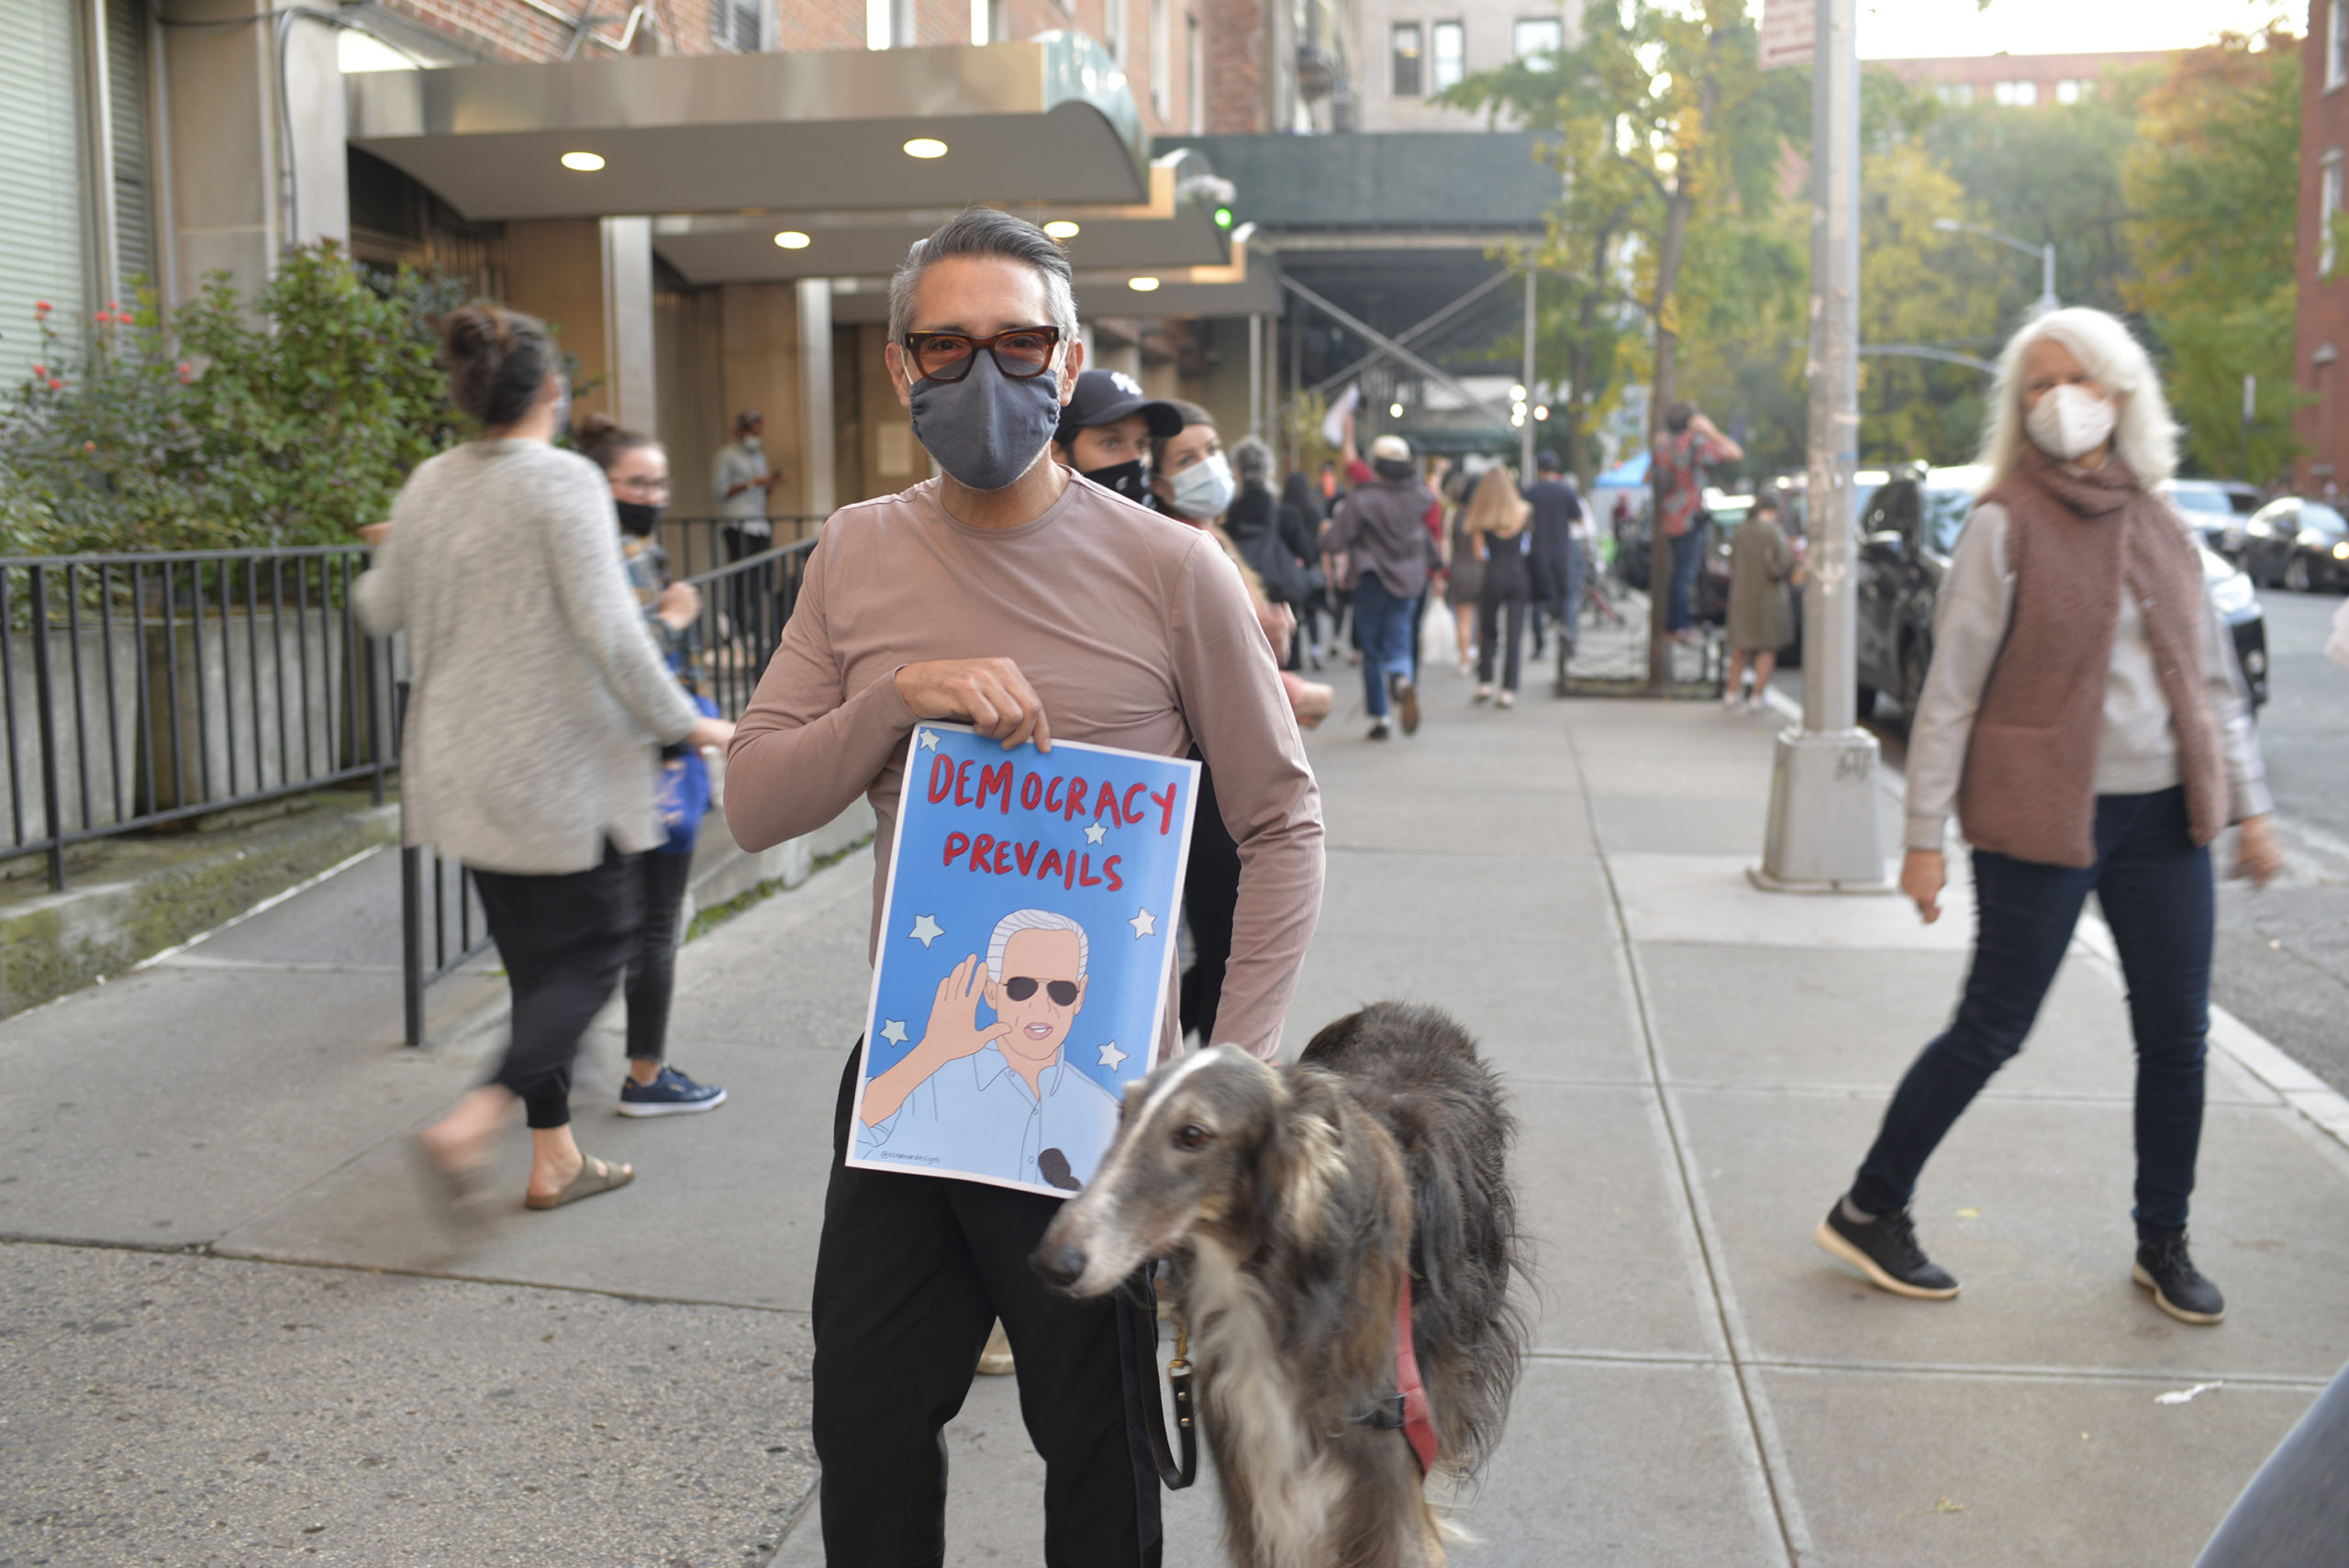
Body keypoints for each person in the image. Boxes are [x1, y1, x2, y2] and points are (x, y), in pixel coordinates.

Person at [719, 207, 1324, 1567]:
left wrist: (1228, 1071)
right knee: (865, 1429)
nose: (981, 373)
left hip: (1103, 1111)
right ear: (897, 367)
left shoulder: (1174, 571)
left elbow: (1281, 823)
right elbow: (756, 804)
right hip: (912, 1083)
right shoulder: (857, 555)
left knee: (1098, 1454)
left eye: (1018, 341)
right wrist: (894, 698)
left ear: (1070, 361)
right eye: (946, 343)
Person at [1814, 307, 2285, 1326]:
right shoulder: (2003, 520)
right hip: (2039, 820)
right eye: (2032, 385)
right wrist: (1923, 838)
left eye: (2070, 379)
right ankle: (1869, 1204)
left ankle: (2163, 1240)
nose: (2052, 401)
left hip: (2166, 820)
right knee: (1992, 1027)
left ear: (2117, 393)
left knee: (2176, 1036)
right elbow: (1947, 690)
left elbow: (2210, 684)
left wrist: (2250, 810)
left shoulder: (2162, 523)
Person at [361, 306, 735, 1213]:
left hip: (458, 768)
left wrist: (387, 550)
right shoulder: (564, 482)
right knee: (595, 954)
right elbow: (612, 632)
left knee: (536, 968)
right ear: (554, 394)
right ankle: (473, 1118)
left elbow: (378, 610)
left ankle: (555, 1156)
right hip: (554, 776)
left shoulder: (429, 483)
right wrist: (686, 722)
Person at [574, 413, 729, 1118]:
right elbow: (626, 664)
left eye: (661, 480)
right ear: (599, 483)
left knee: (610, 925)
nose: (655, 493)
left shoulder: (608, 547)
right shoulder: (622, 557)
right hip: (646, 765)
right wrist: (669, 618)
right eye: (638, 481)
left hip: (617, 764)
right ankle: (643, 1073)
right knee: (651, 925)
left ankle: (552, 1066)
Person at [1323, 433, 1442, 740]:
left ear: (1377, 465)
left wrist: (1323, 539)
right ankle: (1402, 678)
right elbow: (1434, 532)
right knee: (1400, 637)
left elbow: (1336, 539)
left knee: (1371, 649)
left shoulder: (1362, 498)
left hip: (1372, 579)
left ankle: (1381, 717)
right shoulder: (1421, 496)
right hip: (1411, 578)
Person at [1653, 404, 1742, 640]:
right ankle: (1679, 625)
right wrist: (1711, 431)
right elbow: (1734, 452)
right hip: (1690, 515)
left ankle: (1676, 623)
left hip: (1670, 515)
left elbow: (1651, 475)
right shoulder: (1695, 443)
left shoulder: (1662, 444)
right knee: (1685, 573)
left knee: (1679, 572)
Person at [1050, 367, 1183, 506]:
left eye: (1141, 444)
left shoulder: (1163, 525)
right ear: (1054, 452)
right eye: (1111, 443)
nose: (1135, 459)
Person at [1721, 492, 1802, 713]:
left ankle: (1731, 693)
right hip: (1769, 597)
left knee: (1741, 647)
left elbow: (1731, 562)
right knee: (1767, 647)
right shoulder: (1773, 532)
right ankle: (1757, 696)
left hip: (1742, 597)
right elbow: (1786, 563)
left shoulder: (1740, 531)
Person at [1464, 467, 1533, 708]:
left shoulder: (1481, 514)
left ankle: (1485, 681)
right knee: (1514, 633)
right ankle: (1508, 689)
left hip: (1493, 573)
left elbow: (1478, 553)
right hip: (1518, 572)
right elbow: (1530, 545)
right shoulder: (1523, 511)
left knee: (1488, 630)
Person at [711, 411, 784, 636]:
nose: (756, 437)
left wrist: (770, 483)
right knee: (742, 582)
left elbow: (762, 492)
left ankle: (754, 630)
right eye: (753, 433)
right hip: (738, 525)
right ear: (741, 431)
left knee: (761, 581)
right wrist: (752, 483)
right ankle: (736, 625)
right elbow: (720, 491)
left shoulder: (759, 456)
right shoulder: (726, 455)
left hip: (760, 525)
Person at [1524, 450, 1586, 680]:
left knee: (1539, 600)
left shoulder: (1531, 492)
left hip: (1539, 550)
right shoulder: (1566, 491)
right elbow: (1579, 519)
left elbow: (1526, 521)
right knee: (1567, 596)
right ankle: (1568, 637)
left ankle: (1539, 647)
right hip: (1563, 550)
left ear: (1539, 469)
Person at [1281, 471, 1330, 669]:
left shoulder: (1282, 512)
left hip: (1287, 569)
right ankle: (1316, 649)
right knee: (1311, 612)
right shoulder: (1314, 511)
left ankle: (1291, 655)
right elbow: (1321, 541)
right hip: (1310, 567)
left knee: (1290, 612)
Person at [1444, 470, 1486, 676]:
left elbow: (1446, 545)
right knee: (1481, 618)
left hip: (1459, 568)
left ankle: (1464, 661)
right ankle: (1480, 656)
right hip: (1480, 570)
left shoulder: (1454, 515)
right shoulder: (1483, 516)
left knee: (1464, 620)